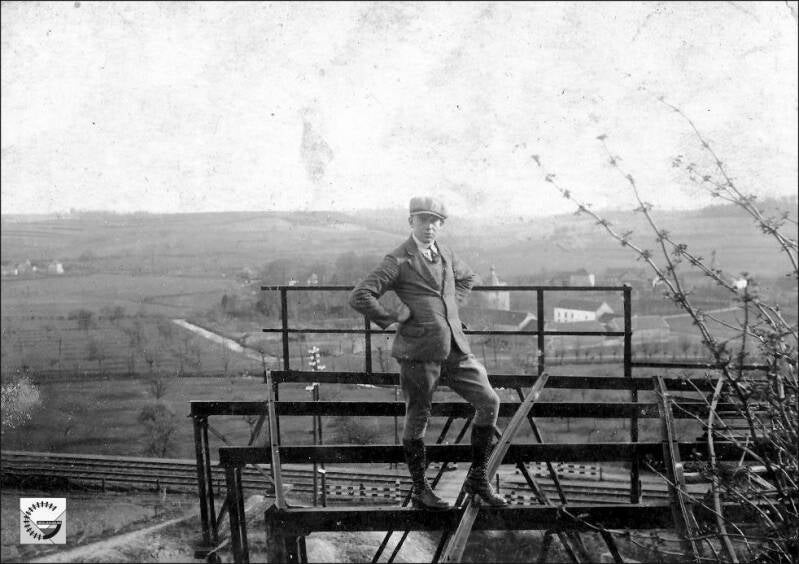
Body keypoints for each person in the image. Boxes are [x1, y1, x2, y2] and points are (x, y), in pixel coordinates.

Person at [349, 196, 506, 509]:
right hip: (418, 352)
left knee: (489, 401)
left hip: (455, 347)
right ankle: (421, 490)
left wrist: (448, 309)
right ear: (411, 222)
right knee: (418, 416)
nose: (430, 226)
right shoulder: (398, 260)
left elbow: (468, 278)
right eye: (423, 219)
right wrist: (393, 317)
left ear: (441, 225)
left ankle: (477, 479)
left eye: (436, 221)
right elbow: (360, 295)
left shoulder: (445, 253)